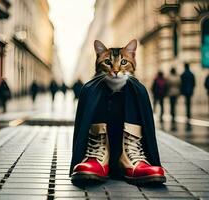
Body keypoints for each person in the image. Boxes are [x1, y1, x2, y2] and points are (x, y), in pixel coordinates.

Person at [70, 39, 165, 186]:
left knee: (136, 89)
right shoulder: (90, 89)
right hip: (97, 94)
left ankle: (131, 155)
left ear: (133, 58)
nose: (115, 69)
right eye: (108, 63)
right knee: (93, 89)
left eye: (123, 62)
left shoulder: (137, 90)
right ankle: (98, 152)